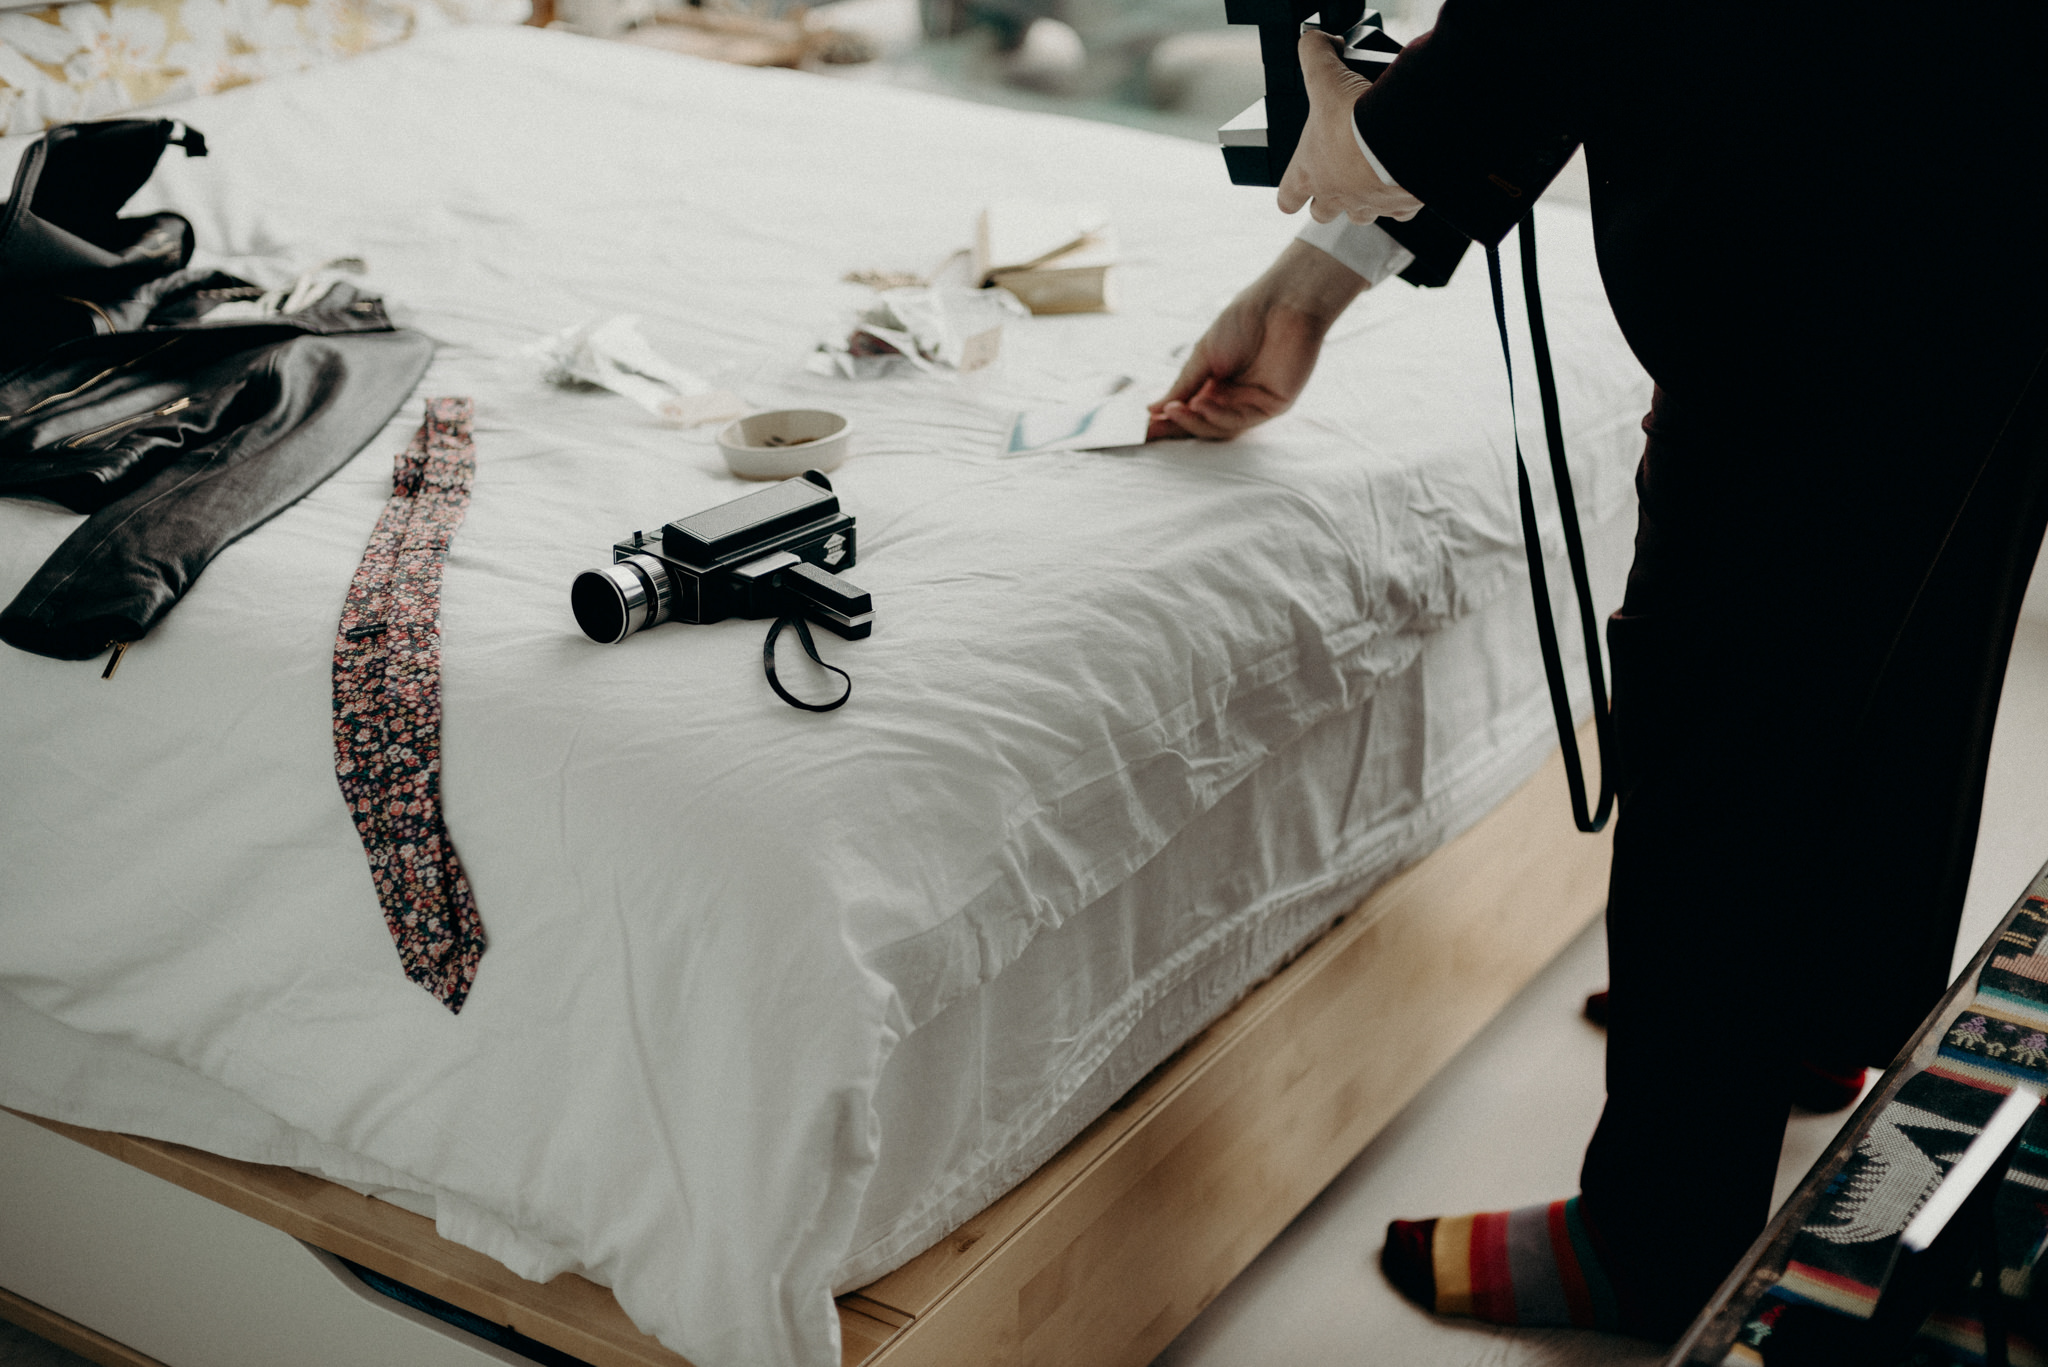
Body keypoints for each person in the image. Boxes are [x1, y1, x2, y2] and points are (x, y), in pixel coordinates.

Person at [1149, 0, 2048, 1342]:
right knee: (1915, 631)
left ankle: (1657, 1235)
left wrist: (1380, 137)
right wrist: (1308, 283)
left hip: (1840, 241)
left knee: (1719, 710)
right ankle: (1805, 1006)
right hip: (1978, 164)